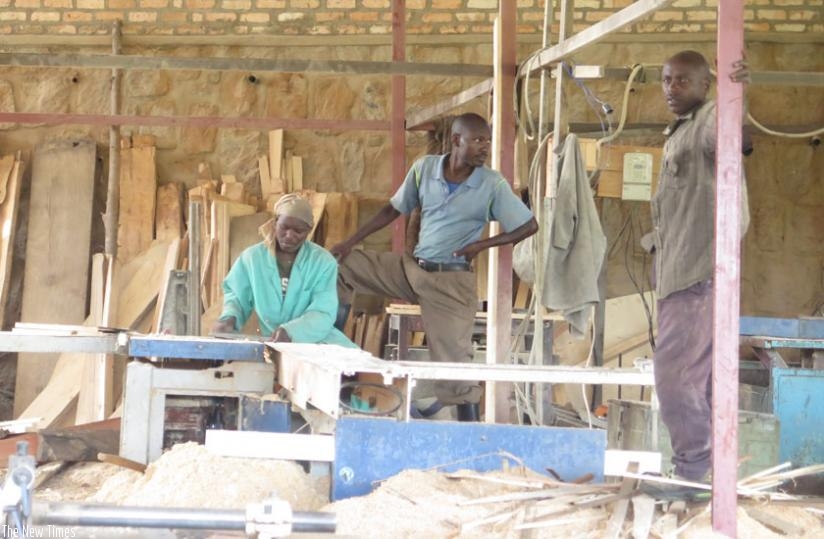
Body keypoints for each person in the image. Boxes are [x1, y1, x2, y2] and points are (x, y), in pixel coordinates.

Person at [330, 112, 538, 421]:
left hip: (449, 284)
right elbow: (392, 209)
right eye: (478, 140)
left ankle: (471, 436)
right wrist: (350, 242)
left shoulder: (491, 185)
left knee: (455, 372)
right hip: (411, 270)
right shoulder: (424, 169)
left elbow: (528, 225)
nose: (485, 147)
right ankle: (331, 349)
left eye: (488, 141)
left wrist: (481, 246)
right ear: (456, 141)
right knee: (343, 267)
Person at [642, 50, 751, 483]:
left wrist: (737, 95)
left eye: (682, 81)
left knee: (674, 376)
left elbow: (732, 140)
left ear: (706, 85)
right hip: (680, 276)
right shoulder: (680, 131)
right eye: (667, 79)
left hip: (697, 276)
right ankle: (706, 476)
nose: (671, 88)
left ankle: (692, 472)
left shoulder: (708, 119)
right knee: (696, 379)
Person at [213, 193, 355, 348]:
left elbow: (323, 312)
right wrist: (228, 319)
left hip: (317, 342)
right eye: (284, 227)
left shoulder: (323, 262)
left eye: (298, 231)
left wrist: (291, 332)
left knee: (354, 367)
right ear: (275, 223)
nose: (289, 236)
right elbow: (237, 298)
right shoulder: (252, 258)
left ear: (309, 230)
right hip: (273, 344)